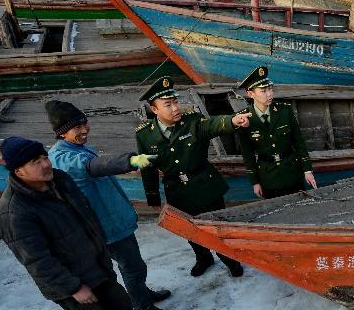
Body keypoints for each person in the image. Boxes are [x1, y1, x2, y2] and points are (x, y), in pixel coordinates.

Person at [0, 137, 160, 310]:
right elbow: (37, 261)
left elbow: (87, 216)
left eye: (44, 157)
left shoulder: (60, 180)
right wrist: (74, 287)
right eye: (36, 161)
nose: (46, 164)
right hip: (70, 282)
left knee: (120, 303)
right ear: (18, 171)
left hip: (94, 264)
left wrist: (101, 251)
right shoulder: (14, 213)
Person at [46, 100, 173, 310]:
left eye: (85, 124)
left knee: (136, 264)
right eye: (77, 128)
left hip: (116, 220)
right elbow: (95, 166)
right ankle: (142, 307)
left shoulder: (79, 146)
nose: (84, 130)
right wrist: (131, 161)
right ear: (62, 133)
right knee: (131, 267)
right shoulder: (63, 158)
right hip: (106, 227)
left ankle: (142, 293)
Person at [135, 76, 251, 277]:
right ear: (154, 110)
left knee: (218, 228)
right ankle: (203, 257)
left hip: (205, 186)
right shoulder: (144, 135)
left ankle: (229, 259)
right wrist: (152, 194)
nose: (175, 108)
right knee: (191, 230)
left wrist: (233, 120)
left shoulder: (193, 122)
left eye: (176, 102)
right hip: (178, 191)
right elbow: (147, 166)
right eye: (168, 105)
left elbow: (213, 124)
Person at [233, 66, 317, 199]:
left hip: (292, 173)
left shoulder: (284, 111)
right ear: (251, 94)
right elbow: (247, 154)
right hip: (268, 178)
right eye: (263, 91)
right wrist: (255, 182)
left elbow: (299, 142)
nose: (269, 94)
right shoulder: (243, 118)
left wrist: (307, 170)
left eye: (270, 89)